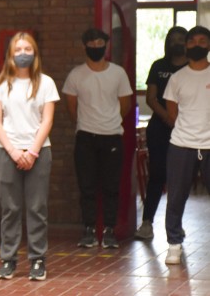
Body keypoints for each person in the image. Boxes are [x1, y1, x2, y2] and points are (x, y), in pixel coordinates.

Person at [0, 32, 59, 281]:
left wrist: (33, 151)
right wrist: (14, 151)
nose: (22, 54)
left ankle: (38, 260)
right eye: (17, 49)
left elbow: (47, 119)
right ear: (10, 54)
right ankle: (8, 259)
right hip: (7, 152)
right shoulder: (0, 83)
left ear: (35, 52)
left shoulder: (46, 83)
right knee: (10, 208)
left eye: (27, 49)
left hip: (39, 152)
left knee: (37, 208)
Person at [62, 27, 132, 249]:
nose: (95, 47)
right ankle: (89, 230)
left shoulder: (118, 73)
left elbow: (125, 105)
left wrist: (108, 122)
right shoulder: (76, 74)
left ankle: (109, 230)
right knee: (87, 187)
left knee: (111, 186)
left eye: (99, 43)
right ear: (85, 46)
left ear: (106, 45)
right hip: (85, 137)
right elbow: (71, 107)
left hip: (112, 136)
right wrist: (87, 123)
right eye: (91, 44)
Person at [162, 25, 210, 265]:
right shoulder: (177, 78)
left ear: (208, 45)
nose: (197, 45)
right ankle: (174, 243)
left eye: (202, 41)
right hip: (182, 145)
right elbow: (173, 114)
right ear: (186, 46)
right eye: (192, 41)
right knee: (176, 197)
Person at [135, 26, 188, 240]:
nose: (177, 42)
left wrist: (179, 121)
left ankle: (176, 225)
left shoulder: (192, 68)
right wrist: (167, 117)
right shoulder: (159, 66)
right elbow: (151, 98)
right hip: (160, 128)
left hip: (185, 129)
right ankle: (147, 223)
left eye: (181, 39)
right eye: (173, 39)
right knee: (157, 175)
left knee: (180, 179)